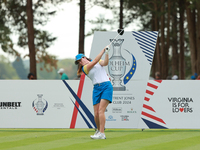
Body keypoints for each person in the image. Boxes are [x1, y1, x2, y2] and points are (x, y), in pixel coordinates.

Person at [75, 45, 113, 139]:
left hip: (106, 86)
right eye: (78, 62)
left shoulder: (98, 61)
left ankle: (102, 134)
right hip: (96, 89)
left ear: (84, 57)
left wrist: (107, 53)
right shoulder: (85, 68)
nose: (80, 62)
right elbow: (95, 61)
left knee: (101, 111)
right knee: (96, 113)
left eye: (80, 60)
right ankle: (98, 130)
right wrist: (103, 50)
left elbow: (105, 63)